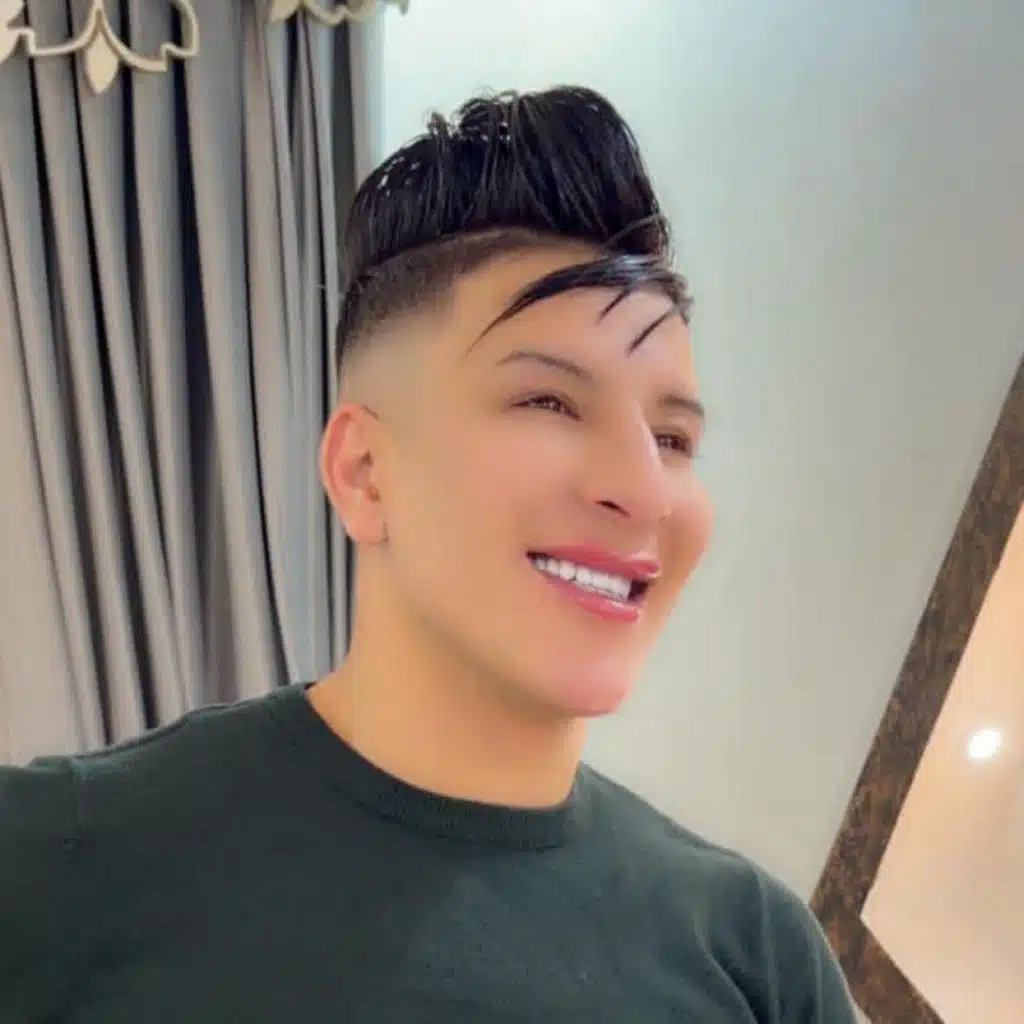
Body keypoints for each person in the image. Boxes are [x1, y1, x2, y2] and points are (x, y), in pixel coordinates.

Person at [0, 86, 856, 1022]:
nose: (645, 489)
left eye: (674, 438)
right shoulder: (55, 862)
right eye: (549, 402)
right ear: (364, 472)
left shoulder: (758, 954)